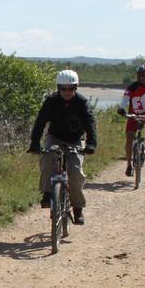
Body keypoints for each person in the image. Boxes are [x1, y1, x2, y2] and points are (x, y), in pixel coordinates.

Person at [27, 69, 97, 225]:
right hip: (55, 137)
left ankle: (78, 208)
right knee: (47, 160)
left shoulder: (81, 103)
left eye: (70, 88)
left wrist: (91, 143)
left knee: (76, 172)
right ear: (58, 88)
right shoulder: (51, 101)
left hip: (75, 139)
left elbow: (90, 123)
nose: (67, 92)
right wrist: (34, 142)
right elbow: (40, 121)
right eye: (63, 88)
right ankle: (47, 193)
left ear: (76, 88)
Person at [118, 63, 145, 177]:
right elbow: (125, 98)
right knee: (129, 138)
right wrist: (121, 108)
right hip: (133, 114)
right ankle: (129, 164)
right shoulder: (132, 87)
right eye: (142, 75)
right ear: (138, 76)